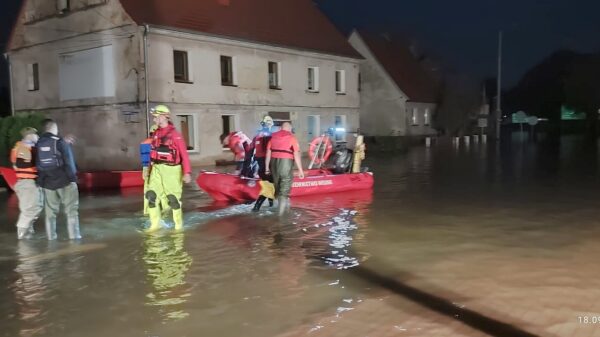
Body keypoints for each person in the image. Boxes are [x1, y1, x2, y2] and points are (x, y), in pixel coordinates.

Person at [145, 105, 192, 232]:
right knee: (151, 195)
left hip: (172, 170)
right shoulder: (156, 134)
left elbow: (184, 155)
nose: (154, 120)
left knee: (173, 199)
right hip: (156, 169)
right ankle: (155, 224)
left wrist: (187, 172)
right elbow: (152, 154)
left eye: (156, 117)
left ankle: (178, 226)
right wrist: (148, 171)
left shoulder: (175, 135)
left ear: (163, 117)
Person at [36, 119, 80, 240]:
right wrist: (73, 179)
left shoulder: (39, 144)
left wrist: (40, 183)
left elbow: (39, 166)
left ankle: (51, 239)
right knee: (71, 212)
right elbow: (69, 163)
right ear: (54, 128)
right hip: (65, 182)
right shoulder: (60, 142)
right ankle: (74, 238)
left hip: (48, 184)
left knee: (50, 214)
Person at [10, 127, 43, 239]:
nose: (38, 137)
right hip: (28, 183)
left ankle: (27, 232)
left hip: (26, 182)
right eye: (36, 135)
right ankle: (22, 233)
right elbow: (24, 164)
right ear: (29, 136)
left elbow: (16, 164)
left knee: (32, 208)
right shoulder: (24, 148)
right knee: (31, 209)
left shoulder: (20, 147)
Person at [265, 121, 304, 215]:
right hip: (285, 164)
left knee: (277, 187)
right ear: (290, 129)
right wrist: (300, 170)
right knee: (284, 190)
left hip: (274, 164)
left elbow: (268, 153)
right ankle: (280, 216)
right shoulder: (292, 138)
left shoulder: (272, 138)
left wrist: (266, 168)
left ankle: (282, 207)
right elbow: (296, 154)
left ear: (280, 128)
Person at [251, 116, 275, 211]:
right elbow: (269, 151)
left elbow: (252, 151)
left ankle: (271, 205)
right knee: (269, 187)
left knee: (268, 185)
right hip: (267, 166)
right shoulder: (268, 136)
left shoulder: (258, 135)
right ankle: (257, 207)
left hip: (261, 167)